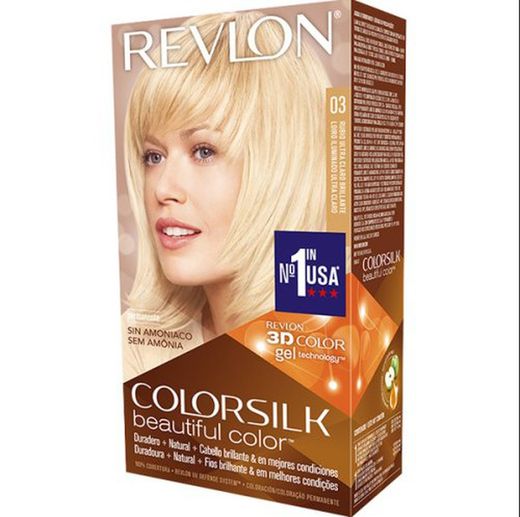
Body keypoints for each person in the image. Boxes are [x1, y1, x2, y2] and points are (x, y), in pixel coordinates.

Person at [122, 11, 330, 380]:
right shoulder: (138, 344)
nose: (163, 189)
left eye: (203, 151)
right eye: (154, 156)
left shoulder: (338, 345)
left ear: (282, 164)